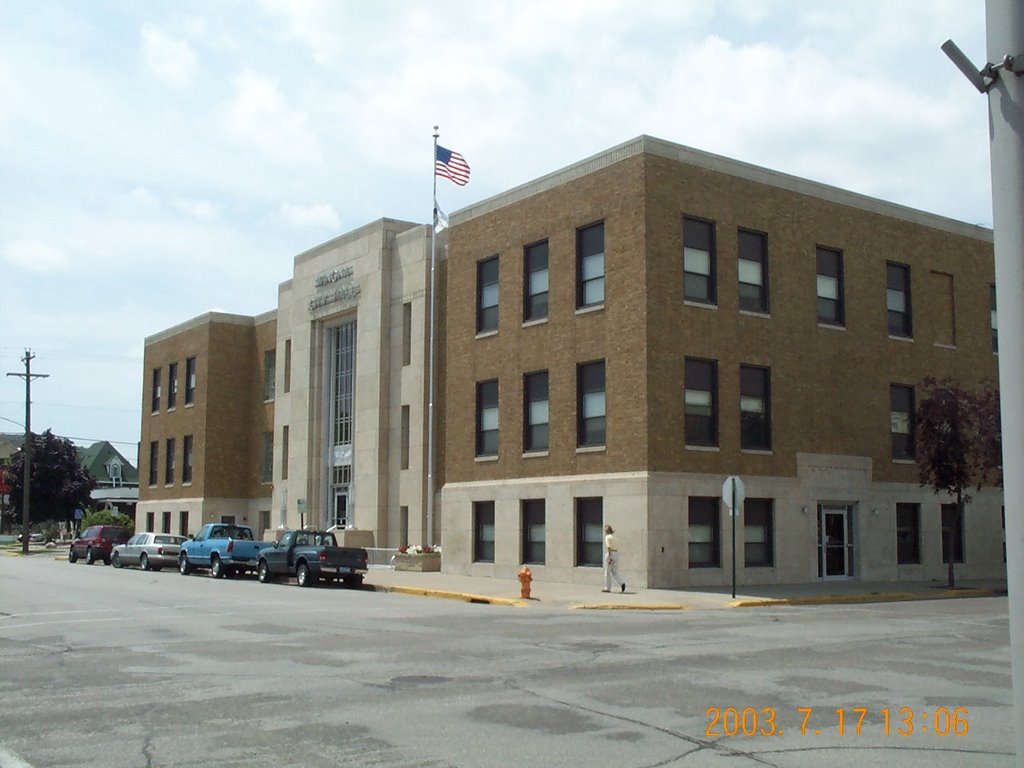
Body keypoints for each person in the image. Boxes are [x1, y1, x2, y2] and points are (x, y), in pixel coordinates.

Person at [602, 524, 626, 593]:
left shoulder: (607, 537)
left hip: (611, 553)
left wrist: (609, 557)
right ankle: (622, 583)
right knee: (614, 572)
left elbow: (609, 547)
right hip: (616, 554)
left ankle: (608, 588)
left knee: (607, 572)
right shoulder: (614, 537)